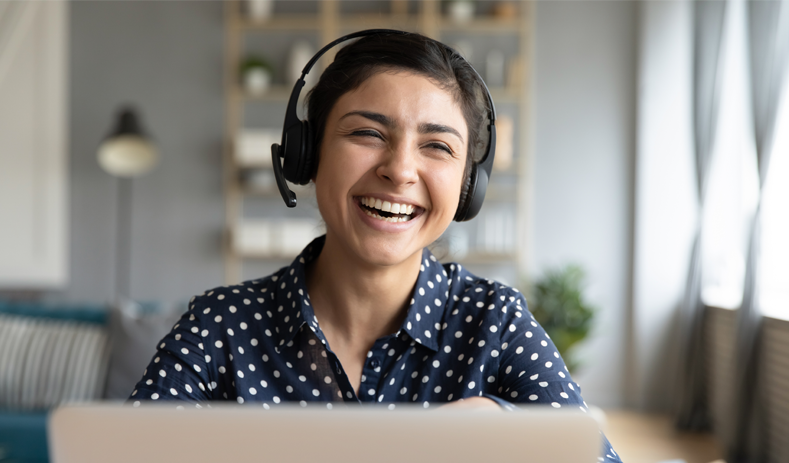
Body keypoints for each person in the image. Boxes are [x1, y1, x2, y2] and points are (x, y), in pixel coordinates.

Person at [129, 31, 622, 462]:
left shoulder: (495, 322)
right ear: (307, 154)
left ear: (469, 187)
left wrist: (510, 430)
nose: (400, 170)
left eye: (437, 146)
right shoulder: (222, 323)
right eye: (367, 133)